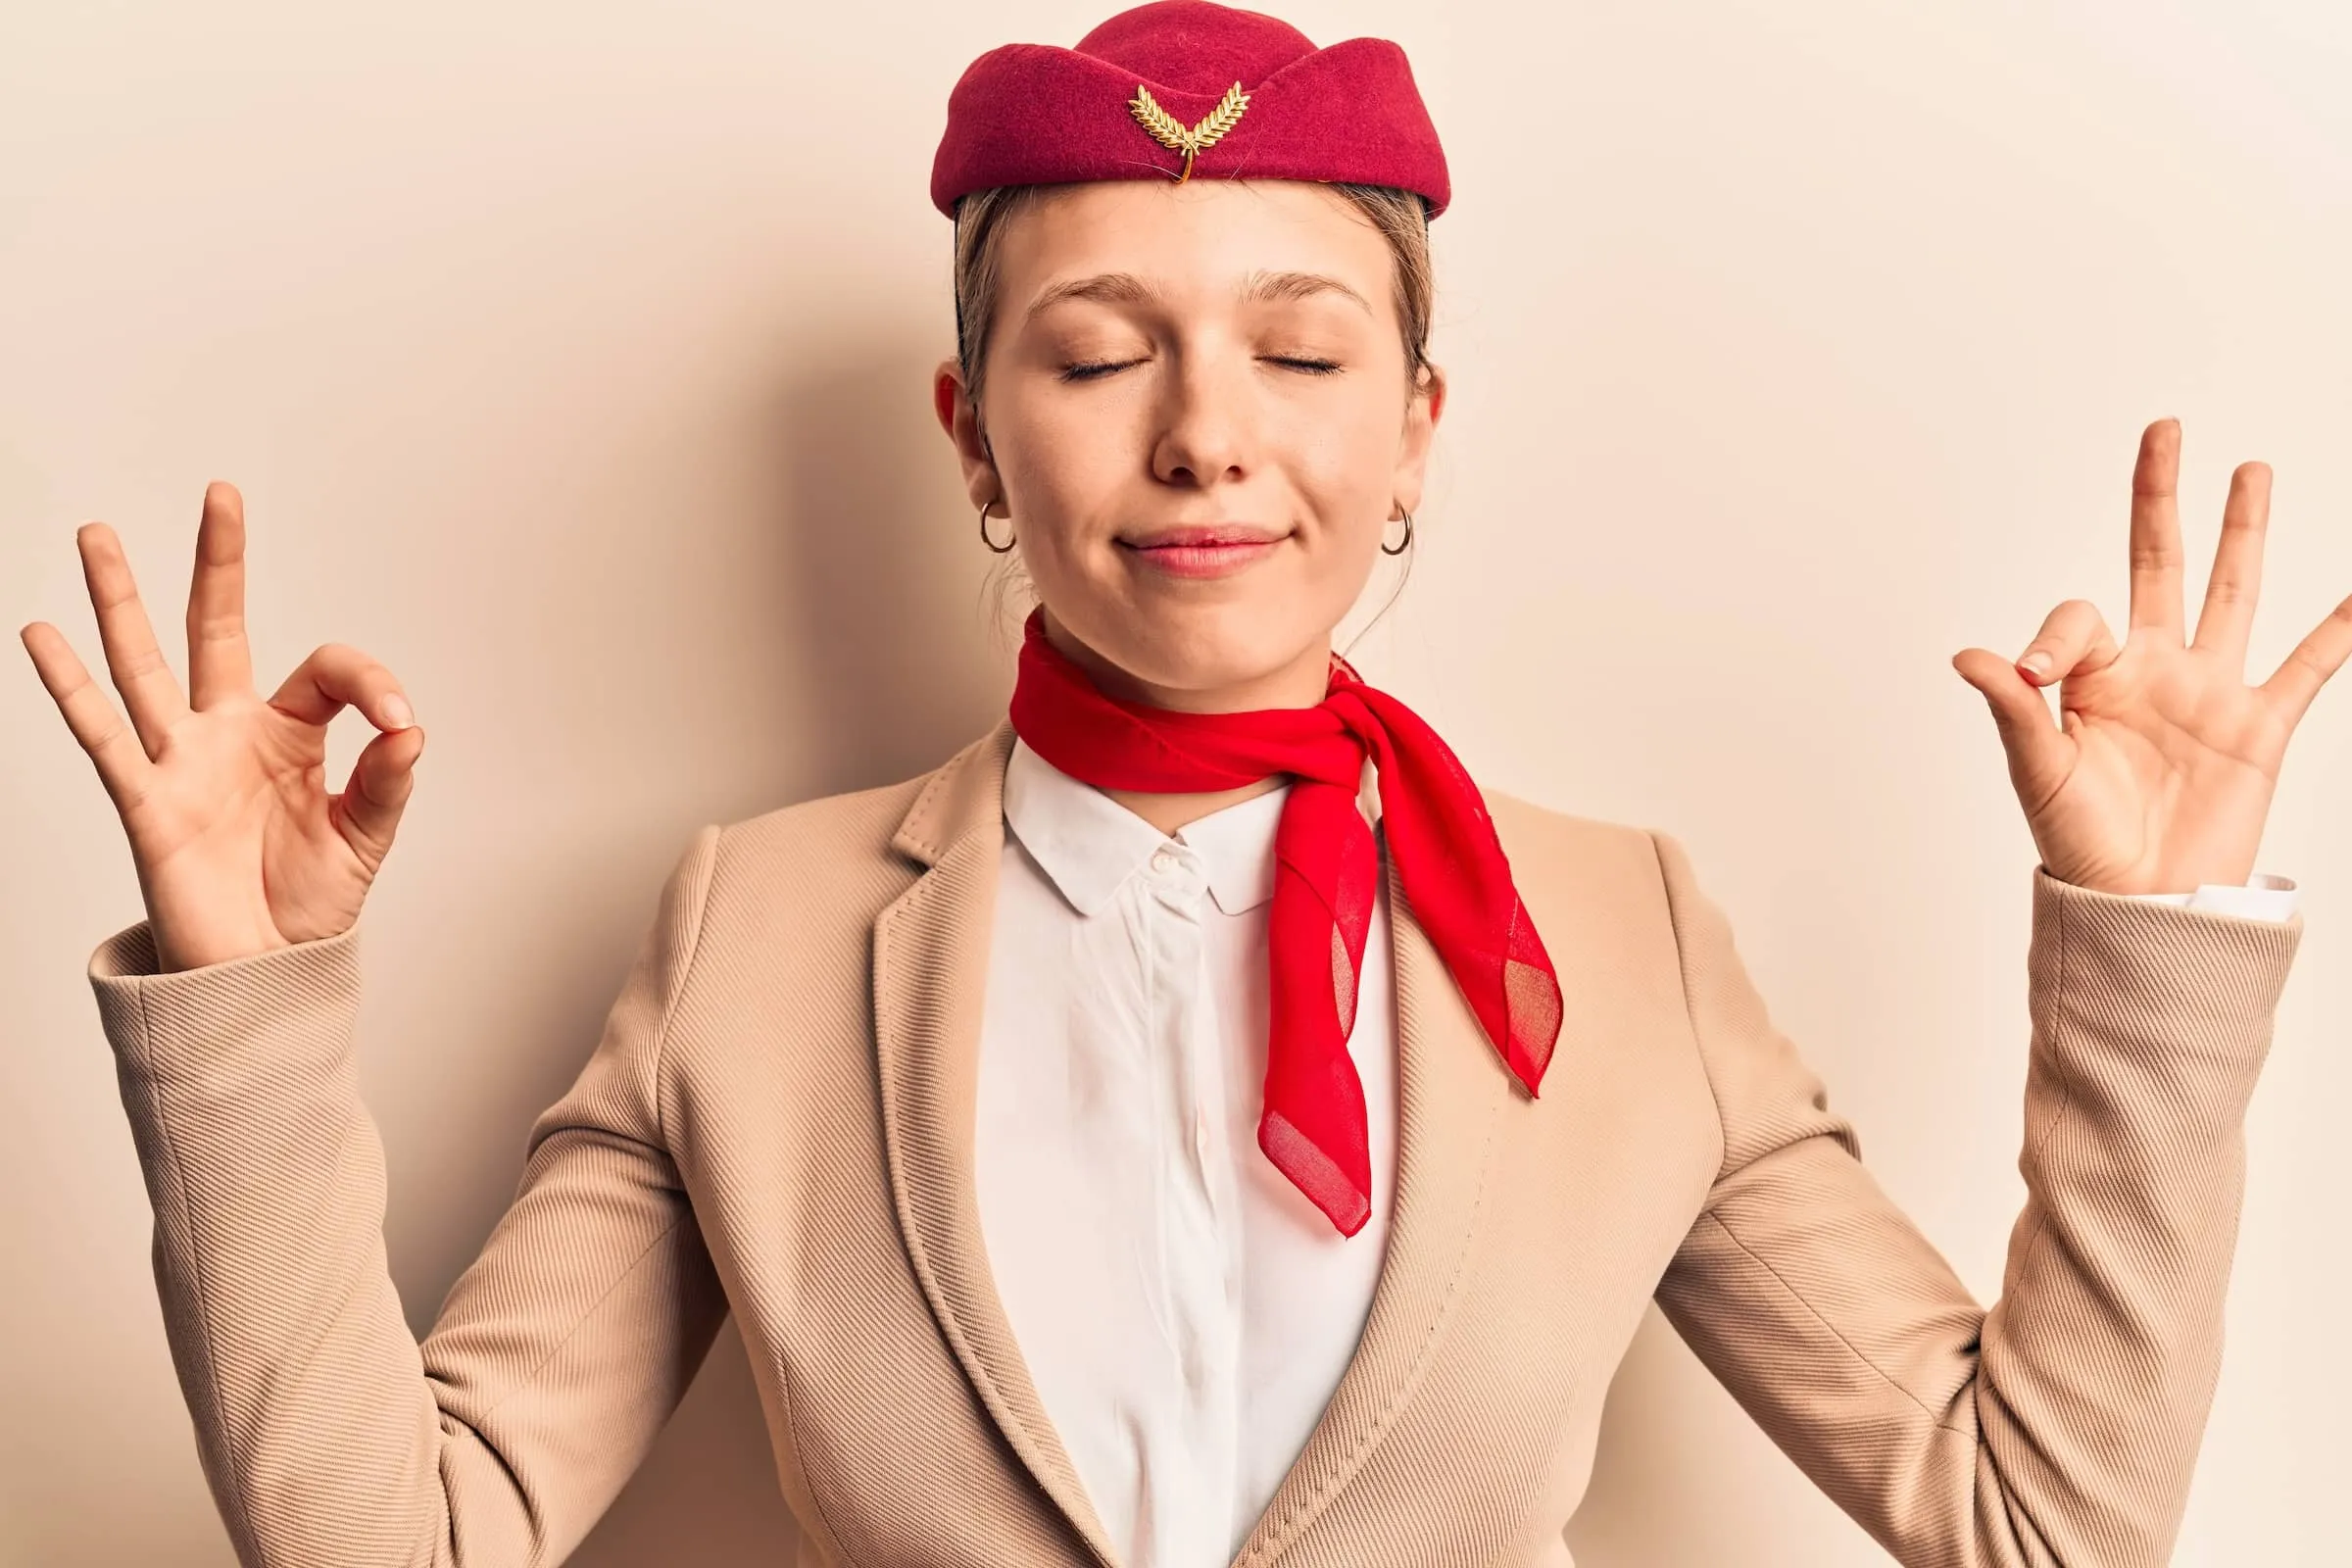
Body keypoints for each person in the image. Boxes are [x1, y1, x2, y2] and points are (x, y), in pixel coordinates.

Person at [18, 3, 2346, 1565]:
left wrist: (2153, 954)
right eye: (1100, 347)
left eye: (1305, 347)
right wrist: (253, 998)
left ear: (1417, 427)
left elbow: (2035, 1513)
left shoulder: (1616, 929)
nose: (1207, 431)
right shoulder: (753, 927)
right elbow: (398, 1536)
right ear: (974, 439)